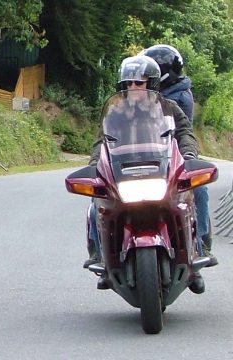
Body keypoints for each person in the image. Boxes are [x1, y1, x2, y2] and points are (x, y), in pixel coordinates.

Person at [84, 55, 203, 292]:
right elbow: (102, 142)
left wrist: (189, 156)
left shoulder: (169, 109)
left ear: (151, 83)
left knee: (198, 189)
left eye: (139, 82)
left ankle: (199, 250)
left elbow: (185, 134)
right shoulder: (115, 113)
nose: (133, 87)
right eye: (128, 83)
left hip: (162, 167)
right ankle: (102, 257)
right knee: (96, 198)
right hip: (123, 170)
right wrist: (96, 164)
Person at [141, 44, 217, 267]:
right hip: (149, 154)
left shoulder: (179, 98)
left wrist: (189, 156)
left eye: (150, 74)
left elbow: (181, 131)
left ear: (162, 73)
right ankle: (98, 248)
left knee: (197, 187)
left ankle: (201, 243)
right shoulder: (150, 95)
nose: (146, 79)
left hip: (173, 154)